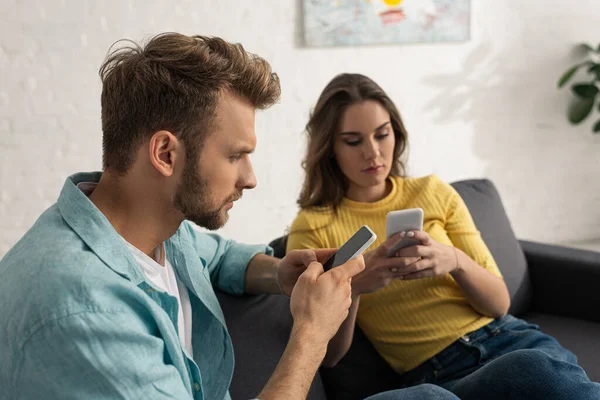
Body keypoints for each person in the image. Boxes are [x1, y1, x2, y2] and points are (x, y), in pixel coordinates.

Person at [0, 33, 461, 400]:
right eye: (236, 156)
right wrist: (311, 335)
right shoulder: (85, 312)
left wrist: (277, 271)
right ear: (165, 153)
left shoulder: (151, 222)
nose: (251, 178)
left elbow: (216, 255)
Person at [287, 73, 600, 400]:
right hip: (438, 375)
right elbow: (327, 354)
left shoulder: (434, 192)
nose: (373, 152)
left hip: (506, 339)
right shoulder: (312, 227)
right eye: (353, 141)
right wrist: (358, 285)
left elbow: (499, 303)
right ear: (330, 148)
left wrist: (454, 261)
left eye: (382, 134)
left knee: (538, 371)